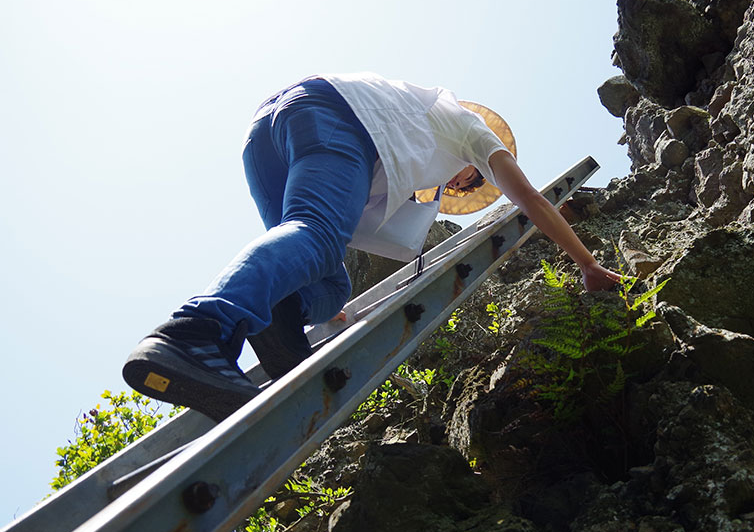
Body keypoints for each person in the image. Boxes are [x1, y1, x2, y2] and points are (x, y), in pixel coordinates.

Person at [123, 73, 621, 422]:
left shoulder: (410, 140)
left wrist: (332, 315)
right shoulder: (471, 130)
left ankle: (280, 333)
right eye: (472, 181)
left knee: (326, 279)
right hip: (333, 117)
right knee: (318, 238)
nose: (463, 186)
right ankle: (194, 332)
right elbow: (530, 198)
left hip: (270, 130)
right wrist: (588, 262)